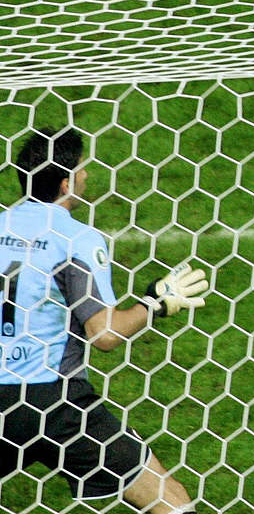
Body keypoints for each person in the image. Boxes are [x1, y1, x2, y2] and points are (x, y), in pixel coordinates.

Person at [1, 128, 211, 512]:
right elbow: (105, 334)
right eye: (82, 169)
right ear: (66, 182)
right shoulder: (76, 238)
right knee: (168, 499)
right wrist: (154, 304)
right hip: (54, 403)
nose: (87, 176)